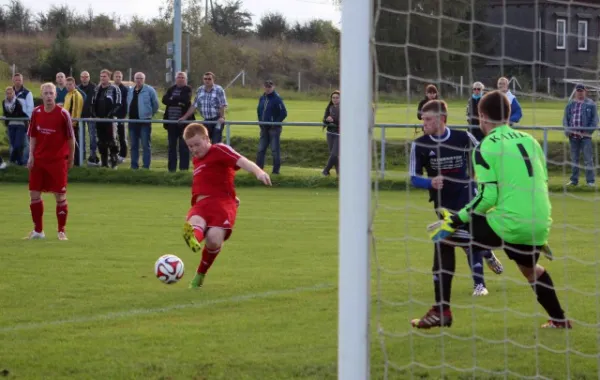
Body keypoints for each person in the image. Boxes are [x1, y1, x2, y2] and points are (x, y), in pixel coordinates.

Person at [423, 90, 571, 329]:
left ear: (482, 116)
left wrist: (456, 219)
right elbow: (540, 181)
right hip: (540, 222)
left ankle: (442, 311)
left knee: (443, 237)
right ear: (509, 113)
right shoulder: (530, 140)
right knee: (530, 270)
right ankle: (559, 320)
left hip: (509, 223)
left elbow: (487, 196)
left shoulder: (485, 146)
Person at [409, 99, 504, 307]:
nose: (423, 123)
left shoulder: (462, 137)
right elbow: (413, 177)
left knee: (469, 237)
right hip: (442, 203)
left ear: (441, 119)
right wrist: (430, 182)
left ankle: (479, 284)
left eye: (427, 119)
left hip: (468, 195)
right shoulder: (420, 145)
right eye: (422, 119)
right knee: (457, 240)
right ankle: (487, 253)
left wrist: (485, 177)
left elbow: (484, 153)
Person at [181, 123, 272, 289]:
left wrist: (258, 172)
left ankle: (200, 274)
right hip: (201, 204)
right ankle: (194, 238)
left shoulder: (219, 149)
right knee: (196, 222)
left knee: (214, 240)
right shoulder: (196, 160)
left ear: (206, 139)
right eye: (190, 146)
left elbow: (241, 160)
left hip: (223, 204)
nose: (194, 149)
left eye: (197, 144)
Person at [25, 82, 75, 241]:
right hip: (39, 160)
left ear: (55, 95)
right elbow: (33, 135)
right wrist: (31, 156)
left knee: (60, 196)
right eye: (45, 93)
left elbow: (71, 138)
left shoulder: (62, 114)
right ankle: (38, 231)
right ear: (41, 95)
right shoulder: (36, 112)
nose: (48, 96)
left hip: (57, 161)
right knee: (34, 194)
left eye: (51, 93)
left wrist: (71, 158)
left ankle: (61, 231)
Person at [322, 90, 340, 176]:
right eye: (333, 98)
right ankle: (339, 173)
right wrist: (326, 120)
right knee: (334, 155)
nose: (335, 99)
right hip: (330, 133)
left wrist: (334, 120)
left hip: (339, 134)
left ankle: (326, 170)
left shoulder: (345, 108)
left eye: (337, 98)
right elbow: (324, 119)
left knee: (334, 154)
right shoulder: (329, 107)